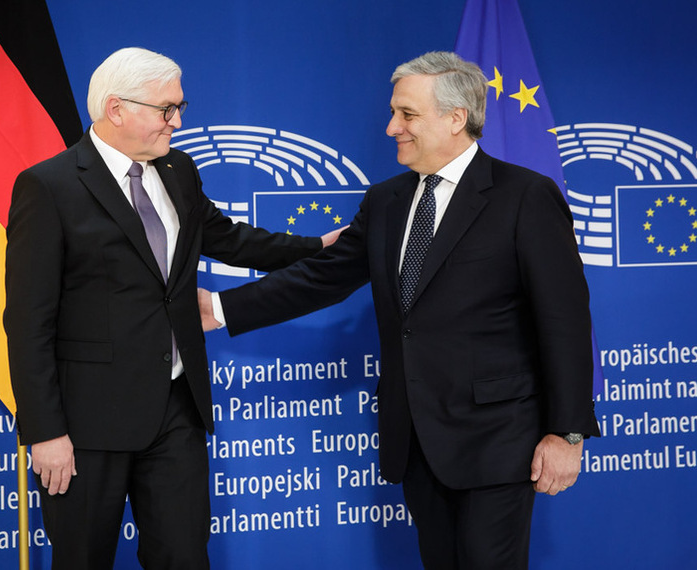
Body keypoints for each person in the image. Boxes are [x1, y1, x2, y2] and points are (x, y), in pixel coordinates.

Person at [200, 51, 600, 569]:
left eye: (407, 114)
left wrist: (567, 432)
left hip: (498, 439)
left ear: (457, 118)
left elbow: (565, 320)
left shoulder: (524, 196)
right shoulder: (386, 200)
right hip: (415, 439)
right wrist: (220, 308)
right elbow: (325, 276)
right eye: (394, 112)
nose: (392, 127)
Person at [4, 47, 340, 569]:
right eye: (166, 109)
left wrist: (317, 247)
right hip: (88, 422)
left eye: (180, 107)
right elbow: (27, 321)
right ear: (116, 109)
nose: (178, 121)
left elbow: (227, 239)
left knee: (184, 557)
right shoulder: (49, 187)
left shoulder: (178, 170)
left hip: (176, 407)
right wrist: (46, 432)